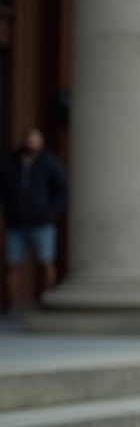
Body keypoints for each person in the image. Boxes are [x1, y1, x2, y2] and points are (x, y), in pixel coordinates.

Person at [0, 128, 68, 312]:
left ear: (41, 141)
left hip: (42, 222)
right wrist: (7, 209)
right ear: (24, 140)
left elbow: (62, 188)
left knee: (46, 261)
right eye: (29, 138)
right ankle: (13, 304)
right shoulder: (11, 162)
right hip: (16, 223)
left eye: (35, 138)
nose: (31, 141)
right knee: (12, 263)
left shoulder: (50, 162)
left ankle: (48, 300)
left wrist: (53, 211)